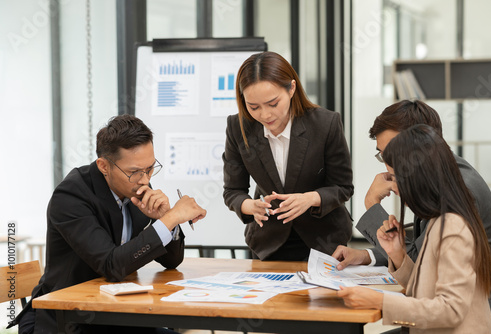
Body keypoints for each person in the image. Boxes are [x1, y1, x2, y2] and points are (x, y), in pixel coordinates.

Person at [14, 115, 207, 334]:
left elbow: (172, 261)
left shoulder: (135, 185)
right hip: (70, 320)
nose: (145, 179)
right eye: (134, 172)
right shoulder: (71, 196)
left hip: (119, 314)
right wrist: (170, 218)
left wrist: (163, 219)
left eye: (150, 169)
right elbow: (111, 265)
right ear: (104, 166)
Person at [332, 100, 491, 331]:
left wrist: (372, 204)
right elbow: (424, 269)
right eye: (384, 157)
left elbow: (449, 307)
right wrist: (394, 253)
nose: (389, 172)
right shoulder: (442, 184)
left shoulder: (456, 204)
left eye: (392, 157)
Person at [222, 51, 354, 261]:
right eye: (253, 107)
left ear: (291, 88)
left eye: (273, 103)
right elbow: (232, 191)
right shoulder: (238, 128)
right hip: (267, 243)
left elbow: (343, 187)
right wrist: (250, 206)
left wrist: (309, 199)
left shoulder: (325, 124)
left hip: (324, 241)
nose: (265, 115)